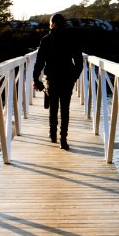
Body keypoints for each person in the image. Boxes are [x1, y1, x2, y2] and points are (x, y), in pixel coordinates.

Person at [33, 13, 82, 150]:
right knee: (65, 108)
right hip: (67, 78)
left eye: (50, 23)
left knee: (53, 106)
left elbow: (40, 62)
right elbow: (79, 61)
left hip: (52, 78)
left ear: (53, 24)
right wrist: (75, 77)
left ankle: (53, 134)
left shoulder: (46, 40)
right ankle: (63, 140)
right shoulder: (71, 39)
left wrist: (36, 78)